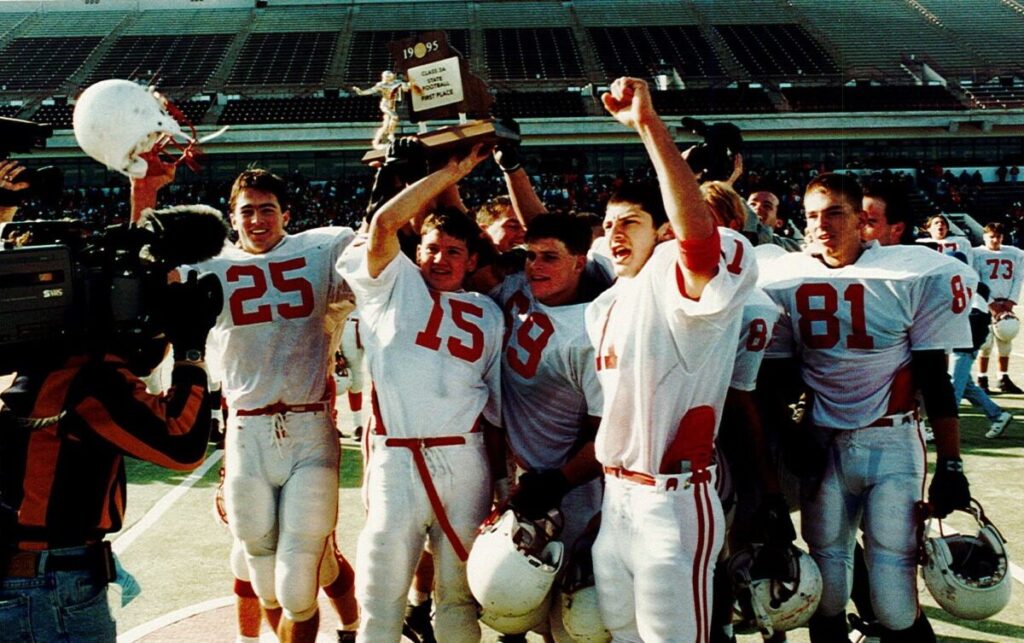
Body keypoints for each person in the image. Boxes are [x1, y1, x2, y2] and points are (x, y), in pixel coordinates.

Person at [0, 167, 221, 641]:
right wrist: (192, 348)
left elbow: (126, 314)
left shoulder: (46, 363)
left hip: (33, 577)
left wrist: (143, 196)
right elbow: (182, 445)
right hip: (49, 586)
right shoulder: (88, 379)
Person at [761, 173, 973, 642]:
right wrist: (791, 430)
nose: (822, 225)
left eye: (835, 213)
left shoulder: (910, 271)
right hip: (823, 443)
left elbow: (934, 376)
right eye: (813, 215)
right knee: (826, 591)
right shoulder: (785, 276)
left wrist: (952, 463)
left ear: (862, 220)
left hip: (891, 440)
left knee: (894, 597)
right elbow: (773, 379)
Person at [584, 77, 757, 641]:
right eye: (607, 225)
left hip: (673, 497)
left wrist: (648, 127)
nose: (613, 235)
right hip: (617, 497)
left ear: (660, 230)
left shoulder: (677, 271)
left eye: (629, 223)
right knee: (621, 632)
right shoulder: (605, 303)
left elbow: (698, 243)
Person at [339, 145, 504, 643]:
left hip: (465, 458)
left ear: (471, 259)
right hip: (398, 459)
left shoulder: (488, 312)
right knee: (381, 594)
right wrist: (449, 173)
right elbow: (385, 224)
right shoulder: (391, 286)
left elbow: (494, 410)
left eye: (454, 251)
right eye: (432, 248)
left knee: (459, 597)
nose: (440, 258)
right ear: (417, 253)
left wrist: (502, 484)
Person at [191, 168, 356, 643]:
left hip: (308, 426)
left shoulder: (323, 249)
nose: (258, 219)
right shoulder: (209, 265)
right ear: (232, 217)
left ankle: (350, 627)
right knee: (266, 575)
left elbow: (382, 255)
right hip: (246, 432)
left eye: (268, 209)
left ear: (287, 213)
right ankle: (337, 628)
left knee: (300, 576)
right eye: (248, 210)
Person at [489, 212, 609, 642]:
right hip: (515, 472)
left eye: (549, 258)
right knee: (507, 601)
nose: (535, 266)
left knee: (574, 618)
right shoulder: (521, 287)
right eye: (531, 256)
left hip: (569, 488)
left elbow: (605, 436)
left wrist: (554, 485)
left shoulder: (592, 330)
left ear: (580, 262)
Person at [971, 222, 1024, 394]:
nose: (995, 240)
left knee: (1006, 338)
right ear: (984, 236)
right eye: (991, 236)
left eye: (998, 237)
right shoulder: (976, 253)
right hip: (985, 302)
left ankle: (1003, 377)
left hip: (1005, 302)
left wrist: (1010, 302)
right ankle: (982, 378)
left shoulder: (1014, 253)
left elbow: (1018, 278)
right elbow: (975, 279)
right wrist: (991, 303)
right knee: (985, 343)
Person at [352, 70, 419, 150]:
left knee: (386, 124)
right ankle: (390, 135)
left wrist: (411, 84)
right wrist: (360, 92)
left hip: (392, 104)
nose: (388, 77)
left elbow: (406, 88)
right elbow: (371, 91)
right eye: (387, 76)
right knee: (394, 117)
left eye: (389, 75)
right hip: (385, 105)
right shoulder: (381, 85)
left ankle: (380, 139)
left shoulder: (397, 82)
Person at [334, 311, 366, 440]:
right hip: (345, 322)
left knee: (358, 379)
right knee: (337, 378)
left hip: (365, 321)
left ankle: (358, 424)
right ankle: (332, 422)